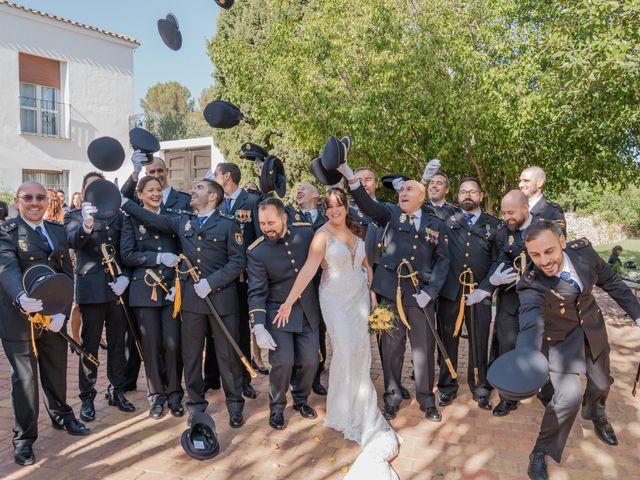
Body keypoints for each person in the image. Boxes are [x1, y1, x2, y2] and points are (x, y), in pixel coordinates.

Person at [275, 188, 400, 479]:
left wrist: (371, 294)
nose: (334, 211)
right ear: (325, 210)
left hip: (357, 301)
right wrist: (289, 301)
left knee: (360, 351)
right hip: (334, 299)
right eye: (329, 207)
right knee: (344, 351)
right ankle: (347, 411)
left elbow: (368, 265)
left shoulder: (358, 233)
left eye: (338, 206)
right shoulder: (321, 235)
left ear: (345, 207)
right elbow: (308, 270)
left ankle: (353, 404)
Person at [514, 220, 640, 480]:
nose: (543, 261)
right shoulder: (531, 282)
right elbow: (530, 321)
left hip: (592, 329)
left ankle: (596, 413)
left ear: (562, 242)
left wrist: (638, 316)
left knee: (602, 383)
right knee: (568, 398)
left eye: (549, 251)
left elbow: (613, 282)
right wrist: (526, 356)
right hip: (559, 342)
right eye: (535, 255)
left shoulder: (584, 253)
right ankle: (540, 451)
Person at [121, 178, 247, 428]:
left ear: (212, 196)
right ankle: (196, 405)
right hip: (191, 300)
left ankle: (235, 405)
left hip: (220, 300)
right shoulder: (183, 220)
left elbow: (237, 262)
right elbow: (153, 220)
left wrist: (211, 282)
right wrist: (124, 201)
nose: (192, 190)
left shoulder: (229, 225)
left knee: (226, 356)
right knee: (190, 356)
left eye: (198, 188)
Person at [341, 161, 450, 423]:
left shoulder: (437, 224)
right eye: (402, 190)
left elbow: (443, 261)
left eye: (410, 189)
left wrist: (431, 291)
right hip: (391, 293)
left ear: (422, 196)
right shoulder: (390, 213)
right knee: (391, 349)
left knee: (424, 350)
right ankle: (391, 398)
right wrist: (348, 175)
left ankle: (426, 400)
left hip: (420, 297)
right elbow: (367, 205)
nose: (403, 192)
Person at [0, 181, 89, 466]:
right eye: (28, 198)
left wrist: (62, 310)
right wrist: (20, 297)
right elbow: (7, 269)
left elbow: (66, 272)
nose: (35, 202)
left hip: (52, 316)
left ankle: (62, 414)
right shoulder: (7, 232)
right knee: (24, 379)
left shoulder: (56, 230)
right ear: (18, 200)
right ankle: (24, 439)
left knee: (56, 370)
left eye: (40, 197)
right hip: (19, 317)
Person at [65, 172, 135, 422]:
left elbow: (127, 250)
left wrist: (125, 276)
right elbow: (73, 242)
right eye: (90, 186)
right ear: (84, 191)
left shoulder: (118, 216)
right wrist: (86, 225)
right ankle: (87, 397)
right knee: (90, 344)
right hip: (91, 289)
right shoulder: (74, 215)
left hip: (116, 288)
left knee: (118, 344)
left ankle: (116, 390)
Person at [247, 198, 320, 429]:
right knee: (283, 362)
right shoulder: (257, 251)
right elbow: (256, 292)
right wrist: (258, 325)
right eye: (262, 224)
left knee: (310, 361)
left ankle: (301, 399)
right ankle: (277, 407)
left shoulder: (306, 232)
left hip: (307, 308)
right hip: (278, 312)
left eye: (271, 222)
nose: (267, 228)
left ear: (284, 217)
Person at [120, 176, 184, 419]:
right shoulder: (131, 221)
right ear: (140, 194)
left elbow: (182, 250)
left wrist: (180, 283)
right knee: (151, 345)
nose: (156, 194)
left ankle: (175, 394)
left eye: (158, 189)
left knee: (172, 343)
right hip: (143, 290)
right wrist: (156, 258)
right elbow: (127, 254)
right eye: (150, 190)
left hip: (171, 289)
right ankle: (156, 396)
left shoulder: (172, 217)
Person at [436, 177, 500, 411]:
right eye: (463, 192)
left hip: (479, 293)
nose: (467, 195)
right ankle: (447, 386)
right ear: (458, 196)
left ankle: (480, 387)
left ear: (481, 196)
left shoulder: (494, 224)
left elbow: (497, 260)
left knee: (479, 340)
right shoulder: (447, 222)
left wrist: (487, 288)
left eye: (472, 192)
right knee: (447, 340)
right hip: (450, 293)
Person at [211, 162, 262, 399]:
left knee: (241, 328)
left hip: (243, 278)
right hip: (219, 276)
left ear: (227, 176)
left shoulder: (252, 202)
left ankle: (244, 378)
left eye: (216, 174)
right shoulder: (217, 203)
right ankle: (212, 378)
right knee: (216, 328)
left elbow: (259, 240)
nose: (213, 178)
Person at [487, 190, 531, 416]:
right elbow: (499, 260)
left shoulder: (543, 228)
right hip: (509, 300)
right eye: (504, 213)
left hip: (536, 302)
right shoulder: (504, 233)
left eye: (511, 212)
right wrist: (493, 280)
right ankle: (508, 398)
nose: (507, 217)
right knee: (506, 349)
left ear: (526, 207)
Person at [121, 154, 192, 213]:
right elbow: (124, 197)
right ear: (147, 174)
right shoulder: (141, 198)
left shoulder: (185, 199)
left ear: (167, 171)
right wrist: (136, 172)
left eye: (160, 170)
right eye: (152, 172)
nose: (157, 175)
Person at [518, 166, 566, 234]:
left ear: (539, 183)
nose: (520, 185)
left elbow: (559, 241)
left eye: (526, 181)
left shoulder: (552, 211)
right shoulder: (515, 208)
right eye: (520, 181)